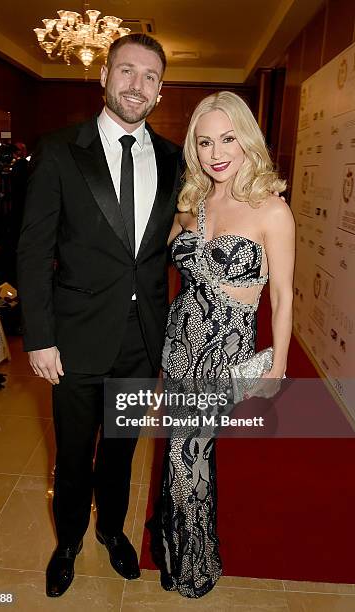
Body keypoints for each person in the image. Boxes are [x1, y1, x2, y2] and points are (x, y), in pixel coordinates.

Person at [17, 33, 182, 598]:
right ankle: (67, 541)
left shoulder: (174, 158)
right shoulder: (61, 149)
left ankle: (112, 531)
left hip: (142, 340)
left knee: (120, 450)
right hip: (75, 339)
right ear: (105, 76)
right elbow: (34, 251)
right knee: (73, 452)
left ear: (161, 90)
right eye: (127, 71)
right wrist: (39, 337)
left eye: (151, 76)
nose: (138, 85)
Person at [153, 91, 295, 598]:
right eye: (205, 140)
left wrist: (277, 363)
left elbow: (281, 294)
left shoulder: (272, 209)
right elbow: (152, 254)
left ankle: (192, 561)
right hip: (181, 342)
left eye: (228, 138)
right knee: (182, 453)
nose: (217, 152)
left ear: (247, 139)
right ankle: (183, 553)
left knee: (187, 453)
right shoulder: (193, 201)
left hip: (225, 350)